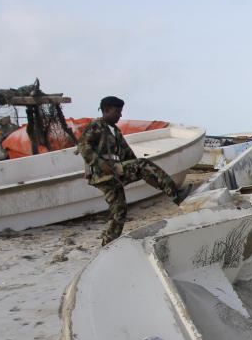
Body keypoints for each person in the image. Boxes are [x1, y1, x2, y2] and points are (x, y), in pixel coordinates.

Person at [76, 96, 192, 245]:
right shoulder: (96, 126)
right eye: (117, 111)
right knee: (142, 165)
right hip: (102, 173)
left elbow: (128, 155)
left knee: (119, 211)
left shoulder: (115, 131)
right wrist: (99, 163)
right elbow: (83, 146)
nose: (120, 115)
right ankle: (175, 194)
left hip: (115, 172)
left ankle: (108, 245)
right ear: (106, 110)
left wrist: (144, 173)